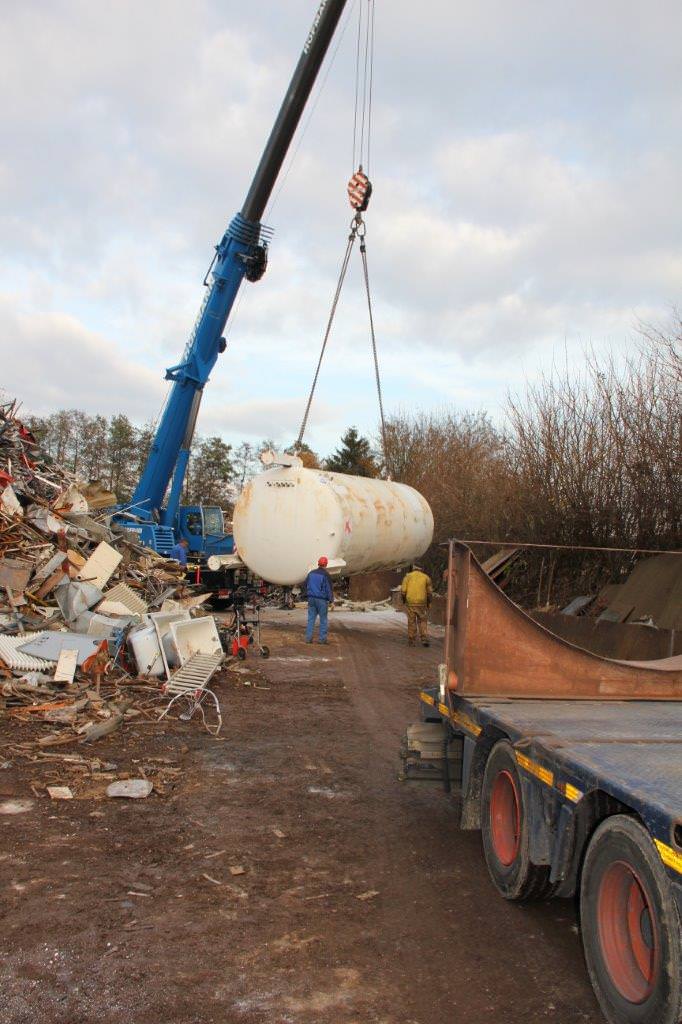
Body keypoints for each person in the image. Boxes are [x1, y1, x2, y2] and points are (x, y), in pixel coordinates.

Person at [401, 564, 433, 647]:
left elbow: (403, 591)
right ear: (421, 569)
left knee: (411, 621)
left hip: (411, 602)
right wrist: (429, 602)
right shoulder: (426, 577)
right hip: (422, 603)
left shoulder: (407, 577)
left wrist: (404, 600)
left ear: (413, 568)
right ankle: (424, 639)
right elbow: (429, 592)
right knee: (422, 620)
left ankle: (412, 640)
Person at [305, 556, 334, 644]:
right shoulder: (326, 575)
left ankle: (308, 639)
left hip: (311, 599)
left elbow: (305, 584)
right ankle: (322, 640)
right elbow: (329, 589)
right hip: (321, 600)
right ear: (326, 565)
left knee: (311, 619)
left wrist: (306, 595)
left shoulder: (311, 573)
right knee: (323, 620)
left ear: (318, 563)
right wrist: (331, 600)